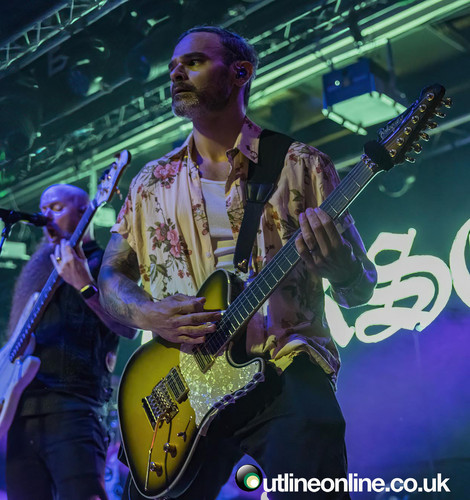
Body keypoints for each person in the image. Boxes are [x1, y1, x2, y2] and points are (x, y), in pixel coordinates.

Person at [97, 27, 377, 499]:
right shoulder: (150, 183)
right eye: (173, 67)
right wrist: (148, 313)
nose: (176, 74)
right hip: (184, 384)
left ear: (240, 73)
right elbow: (110, 276)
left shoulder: (301, 164)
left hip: (284, 363)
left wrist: (340, 265)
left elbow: (361, 286)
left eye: (193, 62)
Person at [0, 184, 136, 500]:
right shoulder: (39, 267)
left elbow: (127, 327)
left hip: (73, 409)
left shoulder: (106, 263)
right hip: (21, 414)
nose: (45, 216)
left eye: (56, 208)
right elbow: (25, 338)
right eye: (43, 209)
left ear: (85, 211)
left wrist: (84, 284)